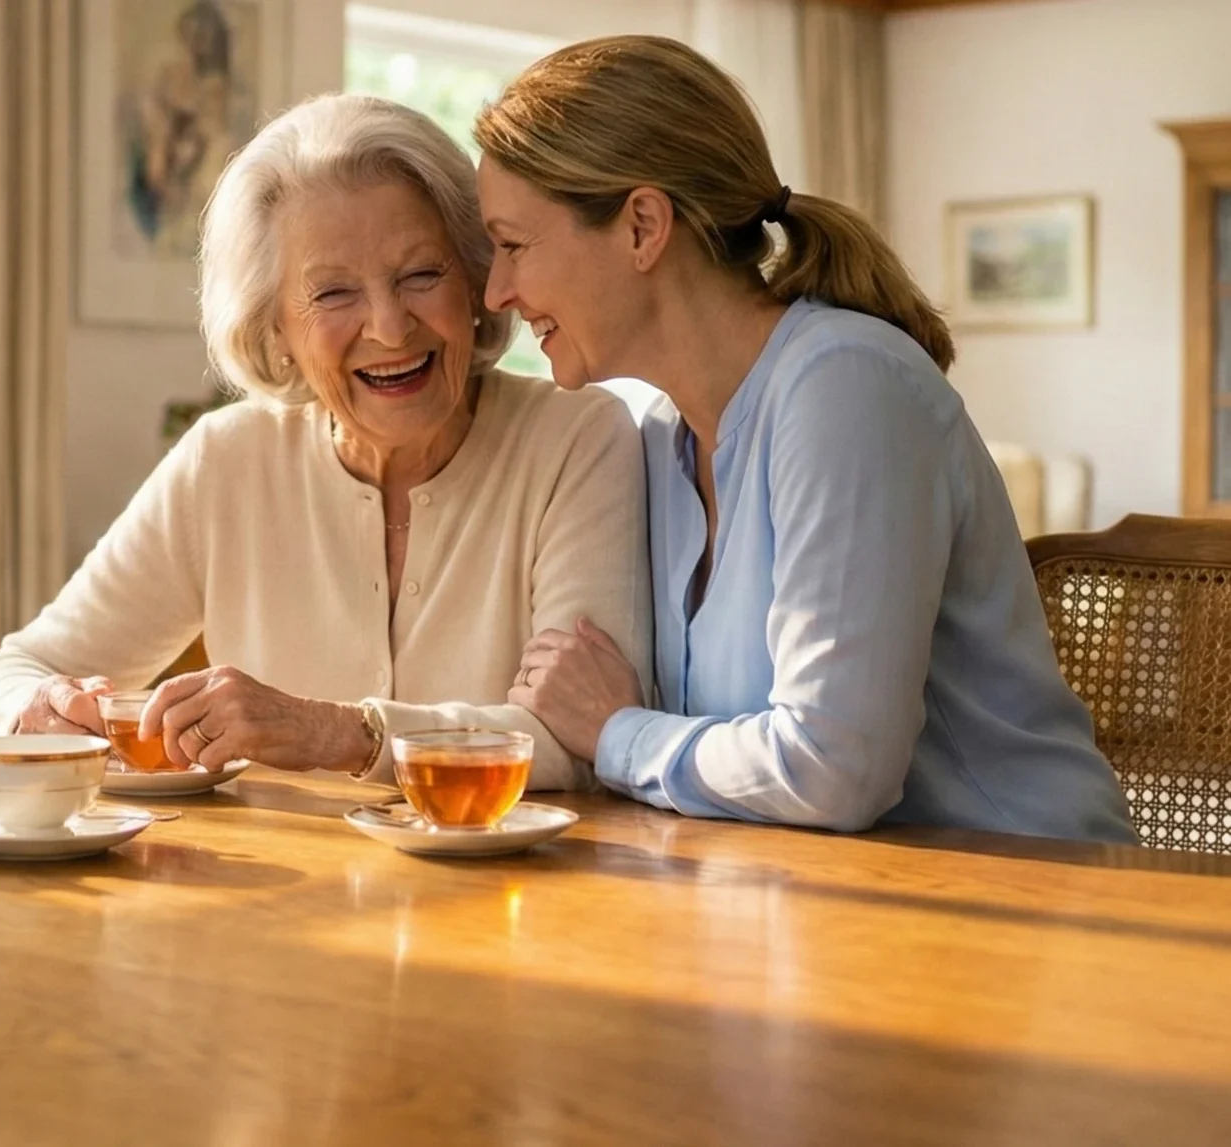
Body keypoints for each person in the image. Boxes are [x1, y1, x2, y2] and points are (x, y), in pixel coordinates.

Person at [475, 35, 1135, 842]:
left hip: (1037, 901)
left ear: (643, 226)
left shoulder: (845, 387)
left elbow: (834, 768)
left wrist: (616, 731)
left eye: (511, 246)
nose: (497, 292)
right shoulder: (655, 437)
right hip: (824, 903)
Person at [0, 93, 651, 790]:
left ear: (478, 282)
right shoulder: (226, 462)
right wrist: (36, 710)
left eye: (422, 274)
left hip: (523, 895)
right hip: (278, 897)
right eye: (332, 295)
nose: (389, 327)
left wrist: (336, 732)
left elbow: (579, 743)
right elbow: (16, 669)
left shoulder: (578, 440)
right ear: (276, 331)